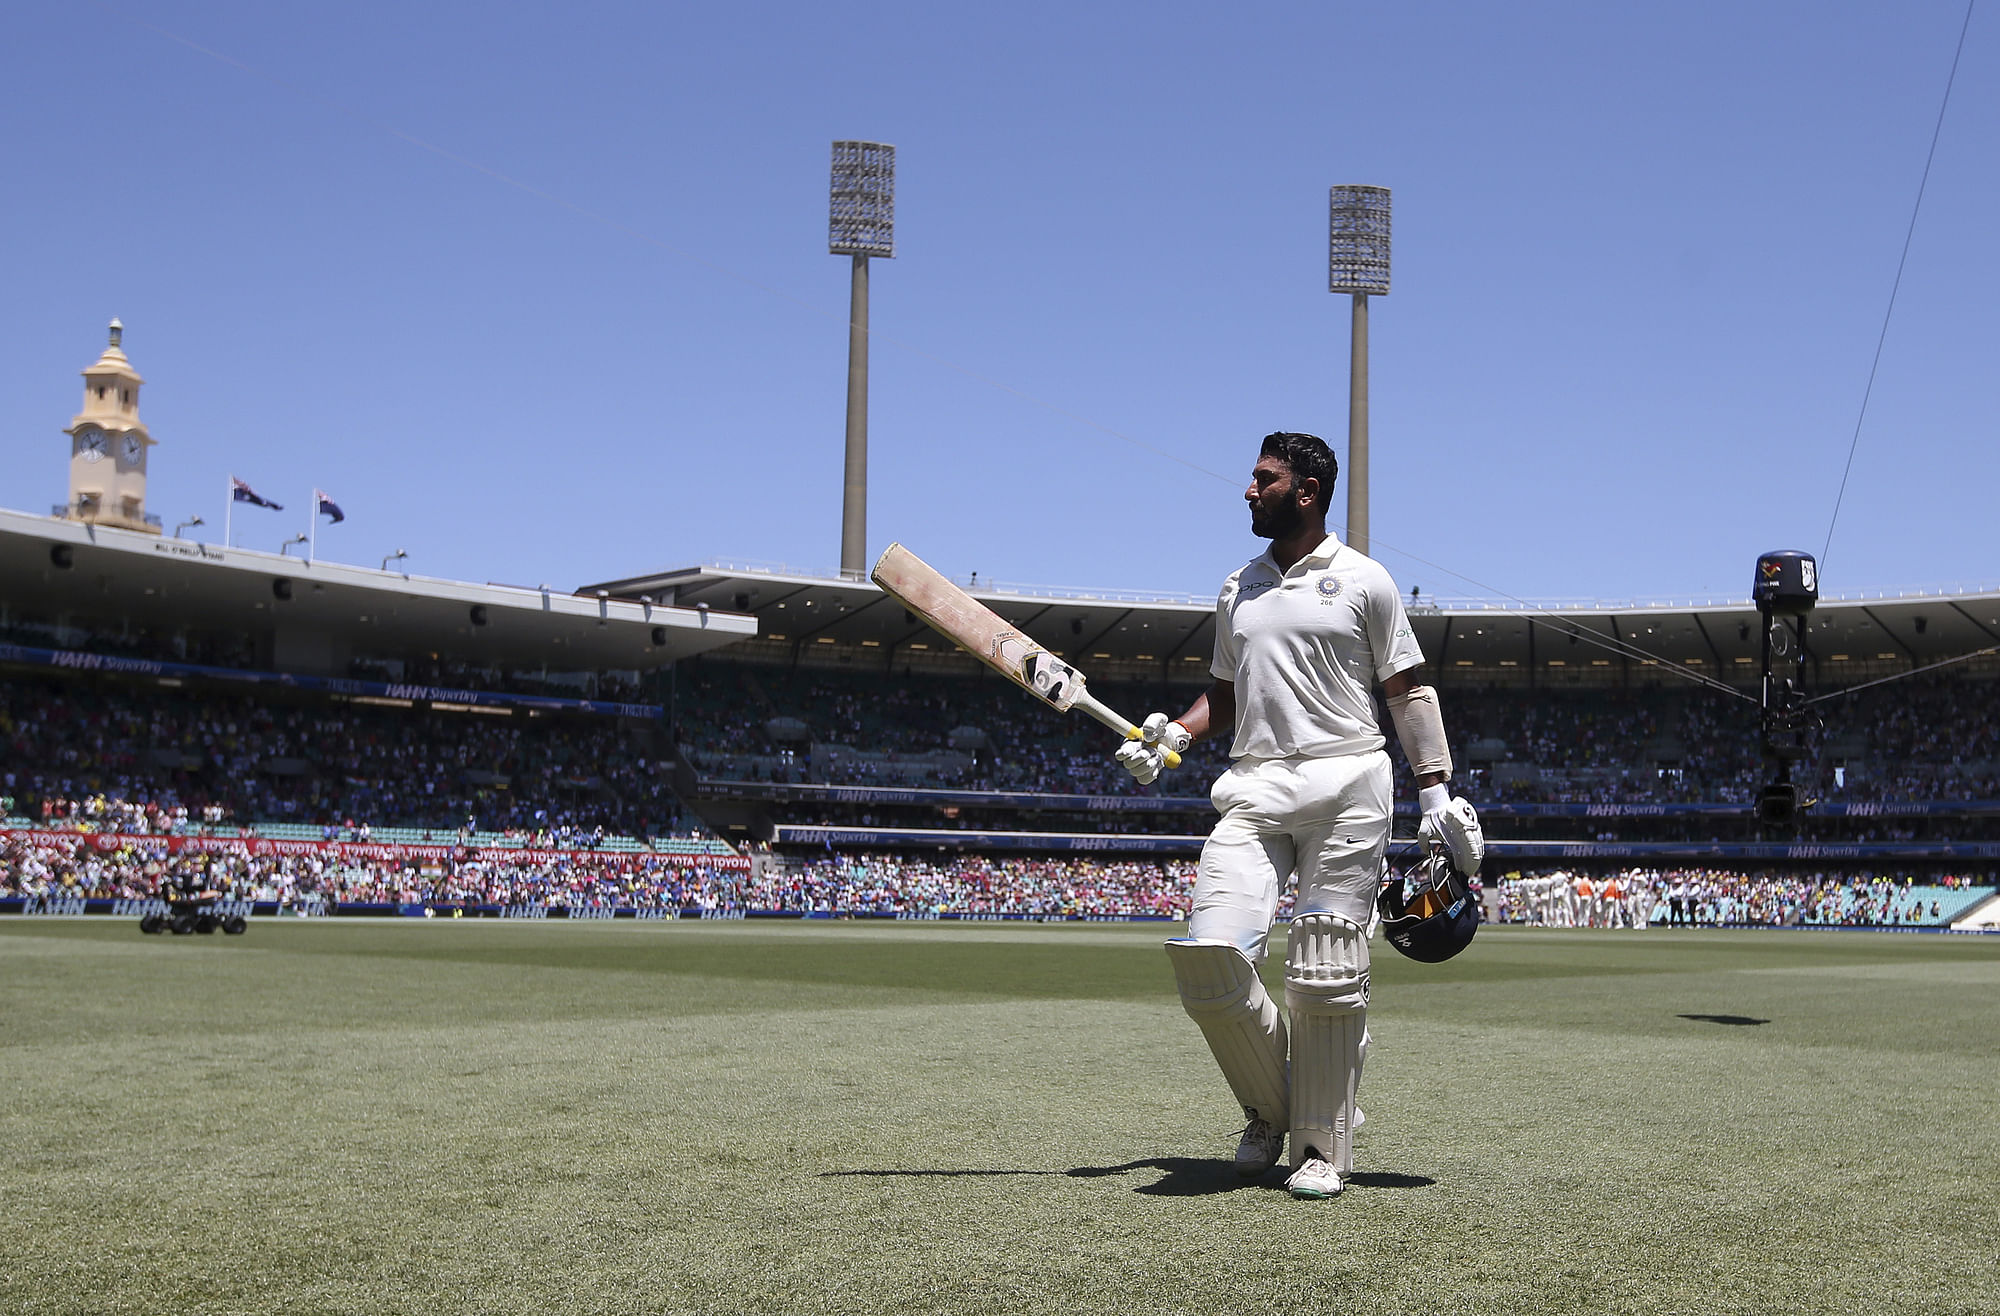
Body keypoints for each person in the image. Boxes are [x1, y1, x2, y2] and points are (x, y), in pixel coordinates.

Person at [1116, 432, 1479, 1201]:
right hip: (1254, 789)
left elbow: (1408, 690)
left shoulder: (1364, 582)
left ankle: (1320, 1145)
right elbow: (1226, 690)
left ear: (1306, 491)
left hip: (1350, 781)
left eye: (1263, 479)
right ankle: (1275, 1108)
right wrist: (1175, 733)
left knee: (1323, 969)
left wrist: (1437, 792)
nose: (1248, 491)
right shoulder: (1237, 588)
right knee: (1211, 963)